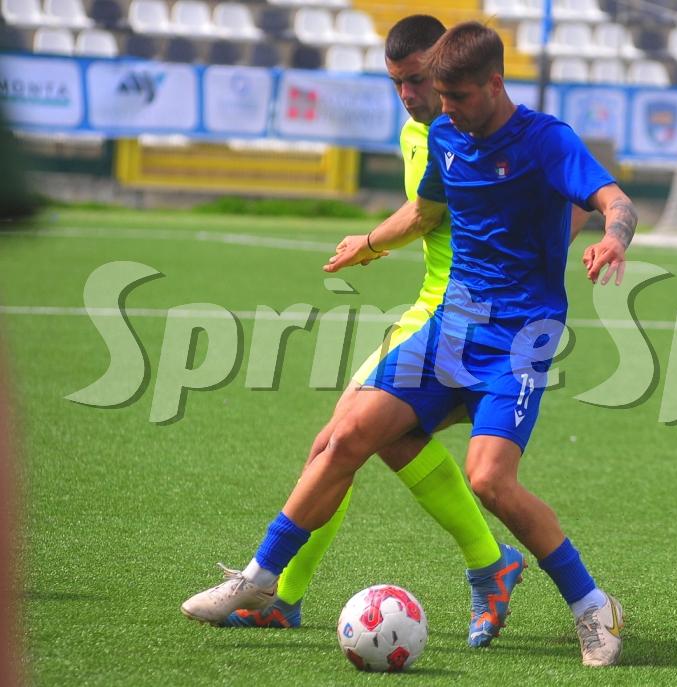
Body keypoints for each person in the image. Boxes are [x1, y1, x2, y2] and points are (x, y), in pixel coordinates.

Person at [182, 21, 636, 667]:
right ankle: (260, 580)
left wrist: (613, 235)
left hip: (519, 338)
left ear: (495, 84)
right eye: (439, 95)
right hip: (448, 328)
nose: (445, 109)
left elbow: (614, 200)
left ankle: (592, 605)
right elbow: (426, 212)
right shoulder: (444, 135)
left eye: (457, 96)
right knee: (347, 436)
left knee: (489, 480)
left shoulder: (546, 139)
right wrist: (369, 244)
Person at [218, 15, 524, 648]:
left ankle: (282, 594)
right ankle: (486, 563)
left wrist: (369, 241)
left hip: (459, 317)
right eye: (397, 83)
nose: (409, 95)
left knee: (340, 441)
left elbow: (424, 214)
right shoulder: (420, 129)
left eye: (418, 80)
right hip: (432, 310)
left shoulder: (474, 130)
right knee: (362, 440)